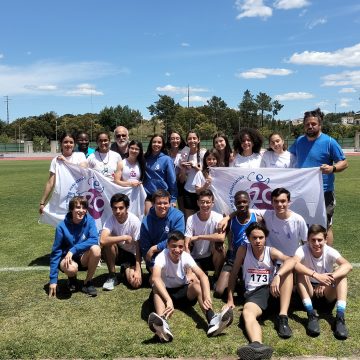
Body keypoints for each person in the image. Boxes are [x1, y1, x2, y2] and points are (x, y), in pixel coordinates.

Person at [147, 230, 233, 342]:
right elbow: (155, 278)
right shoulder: (161, 256)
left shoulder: (186, 256)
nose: (177, 250)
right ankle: (162, 323)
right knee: (156, 288)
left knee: (196, 284)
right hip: (165, 293)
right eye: (173, 246)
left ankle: (212, 319)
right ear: (167, 245)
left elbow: (203, 276)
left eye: (180, 246)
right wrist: (168, 300)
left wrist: (206, 296)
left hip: (182, 293)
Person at [226, 222, 295, 360]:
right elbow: (233, 273)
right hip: (255, 294)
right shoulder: (243, 249)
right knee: (247, 312)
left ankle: (283, 317)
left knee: (288, 272)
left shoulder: (271, 251)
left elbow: (291, 260)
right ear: (249, 238)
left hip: (273, 291)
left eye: (261, 237)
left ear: (265, 238)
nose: (258, 241)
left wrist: (277, 275)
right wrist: (230, 298)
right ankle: (257, 346)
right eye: (254, 238)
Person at [289, 108, 348, 245]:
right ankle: (307, 259)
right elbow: (287, 157)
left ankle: (327, 260)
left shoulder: (329, 142)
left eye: (313, 124)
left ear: (320, 125)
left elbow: (344, 163)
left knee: (324, 226)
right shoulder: (299, 141)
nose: (310, 126)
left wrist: (332, 168)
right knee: (303, 225)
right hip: (302, 192)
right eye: (307, 124)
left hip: (324, 192)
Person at [293, 224, 352, 339]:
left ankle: (340, 318)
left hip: (326, 293)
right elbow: (294, 264)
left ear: (325, 240)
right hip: (308, 292)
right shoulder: (302, 249)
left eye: (319, 240)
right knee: (301, 273)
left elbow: (348, 265)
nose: (316, 243)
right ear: (307, 240)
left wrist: (327, 280)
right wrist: (316, 275)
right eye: (313, 240)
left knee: (342, 276)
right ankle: (311, 314)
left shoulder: (330, 251)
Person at [48, 196, 101, 298]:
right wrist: (53, 280)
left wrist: (73, 250)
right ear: (71, 209)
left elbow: (94, 239)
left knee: (96, 249)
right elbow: (56, 252)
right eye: (77, 207)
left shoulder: (90, 221)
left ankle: (88, 282)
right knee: (71, 268)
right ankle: (72, 280)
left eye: (84, 208)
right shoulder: (61, 227)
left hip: (83, 258)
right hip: (68, 259)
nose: (81, 211)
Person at [214, 191, 257, 297]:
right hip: (233, 259)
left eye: (244, 202)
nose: (241, 204)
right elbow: (221, 237)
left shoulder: (257, 219)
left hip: (250, 260)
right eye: (238, 203)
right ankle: (233, 278)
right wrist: (219, 244)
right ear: (235, 204)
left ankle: (239, 281)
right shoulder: (231, 221)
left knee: (246, 293)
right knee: (219, 291)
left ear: (249, 202)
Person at [100, 193, 142, 291]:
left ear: (127, 208)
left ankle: (126, 268)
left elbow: (138, 247)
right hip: (118, 252)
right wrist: (123, 237)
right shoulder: (110, 220)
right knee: (108, 243)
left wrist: (138, 270)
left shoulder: (134, 221)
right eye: (115, 208)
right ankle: (112, 275)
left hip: (132, 255)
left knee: (136, 283)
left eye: (121, 208)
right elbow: (102, 240)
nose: (117, 211)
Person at [39, 132, 87, 214]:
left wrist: (65, 161)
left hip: (79, 198)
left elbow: (83, 170)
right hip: (61, 200)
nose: (68, 144)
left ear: (74, 144)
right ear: (61, 143)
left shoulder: (80, 156)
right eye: (65, 142)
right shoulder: (56, 160)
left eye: (71, 142)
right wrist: (42, 202)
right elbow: (50, 182)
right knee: (62, 225)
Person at [139, 189, 185, 275]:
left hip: (173, 252)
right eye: (159, 203)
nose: (162, 206)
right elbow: (146, 249)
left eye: (165, 203)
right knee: (156, 282)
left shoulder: (178, 216)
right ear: (153, 204)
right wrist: (152, 268)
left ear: (170, 203)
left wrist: (156, 247)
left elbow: (178, 239)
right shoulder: (146, 221)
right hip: (156, 258)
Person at [255, 187, 308, 257]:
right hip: (271, 261)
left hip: (291, 260)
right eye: (276, 201)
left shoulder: (298, 219)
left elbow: (306, 242)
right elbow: (246, 211)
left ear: (289, 202)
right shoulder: (267, 214)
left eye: (283, 201)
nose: (279, 204)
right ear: (272, 203)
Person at [184, 189, 225, 279]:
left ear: (212, 203)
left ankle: (217, 277)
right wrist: (188, 267)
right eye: (202, 202)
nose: (205, 205)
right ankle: (200, 272)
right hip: (195, 256)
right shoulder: (191, 219)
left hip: (211, 256)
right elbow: (186, 244)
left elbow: (221, 237)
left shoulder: (218, 217)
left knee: (220, 246)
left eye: (208, 202)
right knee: (198, 278)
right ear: (198, 203)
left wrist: (199, 237)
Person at [143, 134, 177, 214]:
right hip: (149, 195)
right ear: (151, 144)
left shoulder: (166, 159)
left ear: (162, 145)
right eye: (154, 142)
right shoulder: (145, 158)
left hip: (163, 196)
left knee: (162, 222)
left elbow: (172, 180)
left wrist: (173, 198)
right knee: (149, 220)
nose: (156, 144)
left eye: (159, 142)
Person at [178, 130, 206, 220]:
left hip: (202, 190)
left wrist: (196, 167)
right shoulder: (183, 154)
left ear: (198, 140)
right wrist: (182, 168)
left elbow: (208, 172)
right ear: (186, 141)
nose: (192, 140)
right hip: (188, 191)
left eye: (194, 138)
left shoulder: (203, 153)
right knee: (189, 219)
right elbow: (182, 180)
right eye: (189, 139)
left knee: (203, 218)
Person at [166, 130, 186, 212]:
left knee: (182, 209)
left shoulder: (184, 153)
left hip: (180, 184)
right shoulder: (165, 153)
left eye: (177, 138)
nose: (175, 140)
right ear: (169, 140)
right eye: (172, 138)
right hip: (167, 185)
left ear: (180, 140)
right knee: (168, 208)